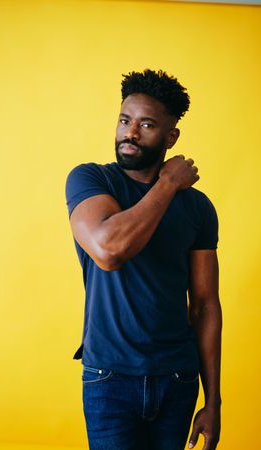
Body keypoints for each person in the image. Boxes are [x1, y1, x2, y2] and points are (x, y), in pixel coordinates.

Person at [65, 69, 222, 450]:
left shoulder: (198, 208)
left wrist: (213, 400)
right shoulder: (91, 181)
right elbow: (109, 250)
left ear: (171, 137)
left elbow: (204, 306)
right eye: (124, 120)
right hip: (109, 378)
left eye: (146, 124)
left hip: (179, 378)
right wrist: (167, 184)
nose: (130, 133)